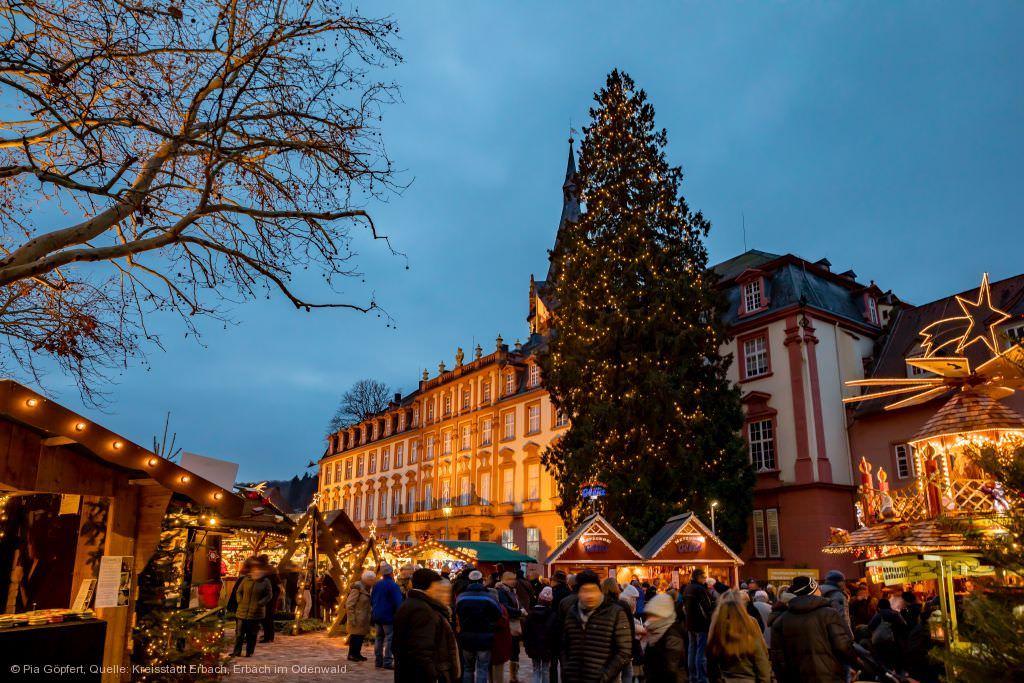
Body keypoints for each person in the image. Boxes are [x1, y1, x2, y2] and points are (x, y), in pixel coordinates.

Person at [769, 575, 856, 683]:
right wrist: (855, 661)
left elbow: (778, 660)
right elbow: (843, 646)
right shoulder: (829, 614)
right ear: (813, 591)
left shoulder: (780, 621)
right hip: (829, 676)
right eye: (817, 589)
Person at [559, 570, 631, 683]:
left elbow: (624, 651)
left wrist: (605, 676)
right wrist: (567, 670)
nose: (589, 595)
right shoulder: (572, 613)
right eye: (584, 591)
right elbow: (564, 644)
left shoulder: (615, 613)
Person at [393, 568, 460, 682]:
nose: (439, 591)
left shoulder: (411, 604)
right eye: (436, 587)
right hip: (421, 676)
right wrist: (434, 676)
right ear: (428, 586)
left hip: (408, 672)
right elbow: (421, 651)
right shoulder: (422, 609)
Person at [706, 591, 771, 683]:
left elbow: (711, 667)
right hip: (749, 678)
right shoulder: (750, 632)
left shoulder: (717, 634)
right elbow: (761, 663)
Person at [454, 570, 502, 683]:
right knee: (482, 669)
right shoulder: (489, 597)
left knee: (467, 668)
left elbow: (456, 614)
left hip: (466, 637)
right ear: (481, 581)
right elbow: (498, 614)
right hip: (485, 638)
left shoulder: (461, 597)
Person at [230, 560, 272, 657]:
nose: (255, 571)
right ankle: (237, 651)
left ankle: (249, 652)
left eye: (257, 569)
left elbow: (269, 595)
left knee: (251, 634)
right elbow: (239, 591)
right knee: (239, 633)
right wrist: (240, 601)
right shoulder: (246, 579)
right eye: (254, 569)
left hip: (256, 612)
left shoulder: (265, 581)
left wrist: (260, 603)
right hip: (242, 610)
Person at [642, 592, 686, 683]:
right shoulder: (654, 632)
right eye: (648, 615)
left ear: (663, 615)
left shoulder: (673, 636)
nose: (649, 620)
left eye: (654, 615)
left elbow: (670, 671)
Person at [683, 568, 714, 683]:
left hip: (690, 624)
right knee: (701, 652)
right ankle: (701, 678)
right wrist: (709, 620)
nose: (705, 579)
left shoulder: (687, 588)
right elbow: (707, 608)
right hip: (701, 625)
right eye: (703, 577)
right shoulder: (700, 589)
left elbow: (684, 608)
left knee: (692, 650)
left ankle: (692, 676)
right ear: (698, 577)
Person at [371, 562, 403, 669]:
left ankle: (378, 660)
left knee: (379, 638)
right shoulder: (393, 585)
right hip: (388, 615)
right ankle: (387, 661)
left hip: (377, 614)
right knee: (389, 638)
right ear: (391, 573)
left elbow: (372, 599)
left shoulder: (377, 584)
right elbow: (398, 602)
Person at [497, 570, 527, 682]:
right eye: (512, 579)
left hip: (514, 625)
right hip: (507, 626)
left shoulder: (511, 591)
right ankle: (510, 677)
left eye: (514, 579)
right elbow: (504, 608)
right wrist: (519, 612)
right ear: (505, 580)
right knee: (509, 651)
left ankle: (513, 676)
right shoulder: (502, 591)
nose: (514, 581)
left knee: (515, 651)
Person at [523, 586, 558, 683]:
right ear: (550, 601)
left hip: (533, 647)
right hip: (547, 647)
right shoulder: (553, 615)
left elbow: (526, 632)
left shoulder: (530, 614)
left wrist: (527, 646)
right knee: (546, 670)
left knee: (536, 670)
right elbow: (555, 634)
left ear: (539, 599)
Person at [867, 597, 908, 672]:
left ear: (879, 606)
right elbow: (904, 625)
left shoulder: (879, 614)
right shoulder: (896, 613)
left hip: (882, 642)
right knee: (894, 662)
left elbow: (870, 626)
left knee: (884, 662)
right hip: (895, 642)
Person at [345, 570, 376, 662]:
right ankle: (351, 654)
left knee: (360, 636)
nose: (373, 582)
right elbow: (349, 604)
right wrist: (352, 618)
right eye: (372, 580)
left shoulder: (368, 588)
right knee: (355, 636)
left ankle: (357, 653)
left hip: (364, 617)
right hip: (357, 616)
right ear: (367, 580)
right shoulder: (357, 588)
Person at [258, 556, 281, 643]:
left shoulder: (264, 570)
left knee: (266, 616)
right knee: (269, 616)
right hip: (273, 594)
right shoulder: (271, 569)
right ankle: (269, 635)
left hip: (268, 595)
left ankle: (268, 636)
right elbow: (278, 582)